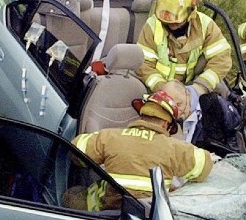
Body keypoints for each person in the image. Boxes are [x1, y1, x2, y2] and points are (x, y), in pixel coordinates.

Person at [72, 89, 215, 211]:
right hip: (151, 219)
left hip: (104, 211)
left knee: (71, 195)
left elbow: (76, 151)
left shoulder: (110, 137)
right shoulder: (176, 148)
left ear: (142, 116)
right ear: (166, 124)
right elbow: (205, 166)